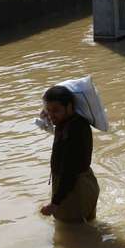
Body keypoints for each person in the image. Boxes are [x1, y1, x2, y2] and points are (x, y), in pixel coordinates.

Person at [40, 86, 100, 223]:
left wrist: (55, 203)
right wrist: (50, 113)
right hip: (87, 184)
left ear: (70, 107)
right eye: (48, 110)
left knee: (72, 234)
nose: (51, 115)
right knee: (88, 227)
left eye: (55, 111)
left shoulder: (71, 132)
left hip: (74, 191)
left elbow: (69, 172)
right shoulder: (76, 122)